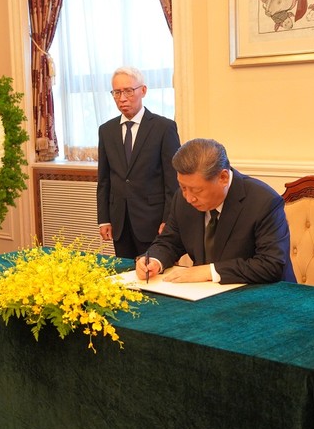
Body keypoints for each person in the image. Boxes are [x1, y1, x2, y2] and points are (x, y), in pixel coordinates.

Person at [135, 138, 296, 285]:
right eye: (183, 187)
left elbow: (270, 265)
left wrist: (209, 271)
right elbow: (170, 241)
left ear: (223, 178)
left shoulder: (264, 201)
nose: (189, 198)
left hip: (266, 296)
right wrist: (154, 260)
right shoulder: (182, 198)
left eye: (197, 190)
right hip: (204, 294)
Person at [97, 66, 181, 259]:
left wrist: (169, 220)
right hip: (120, 222)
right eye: (117, 92)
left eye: (128, 91)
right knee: (124, 271)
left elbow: (172, 181)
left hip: (153, 221)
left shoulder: (163, 127)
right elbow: (104, 179)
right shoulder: (106, 130)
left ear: (143, 91)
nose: (122, 98)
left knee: (153, 270)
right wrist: (104, 219)